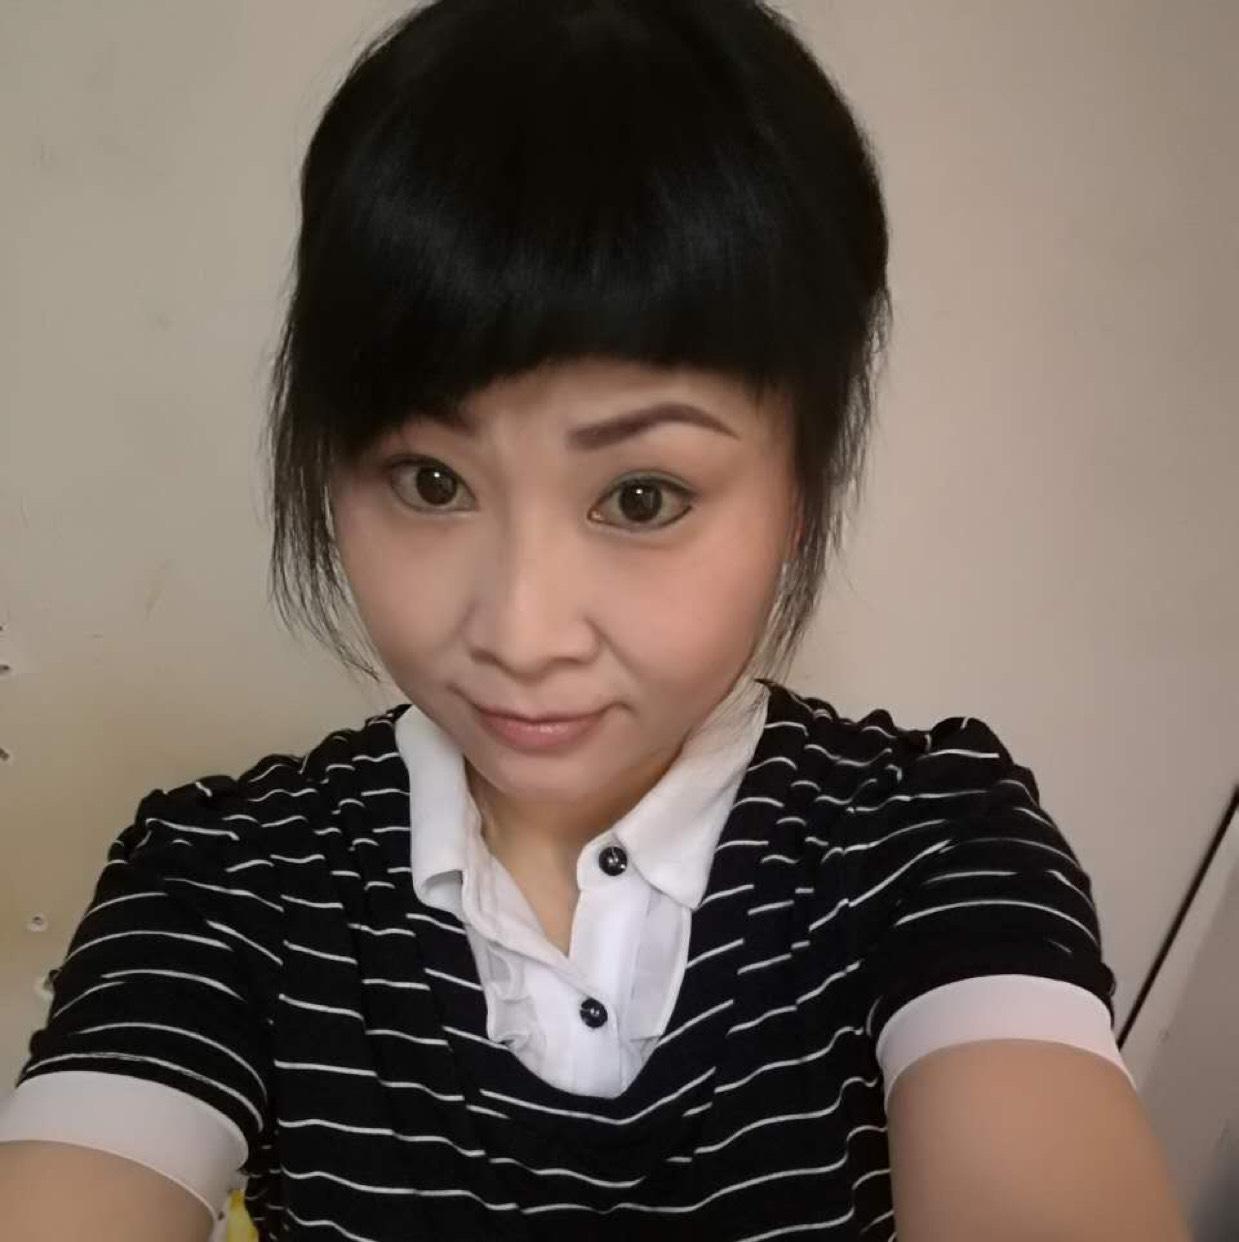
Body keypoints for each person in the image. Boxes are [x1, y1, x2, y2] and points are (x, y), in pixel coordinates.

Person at [0, 1, 1192, 1238]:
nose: (522, 634)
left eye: (641, 497)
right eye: (430, 481)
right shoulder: (221, 884)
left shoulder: (932, 849)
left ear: (798, 488)